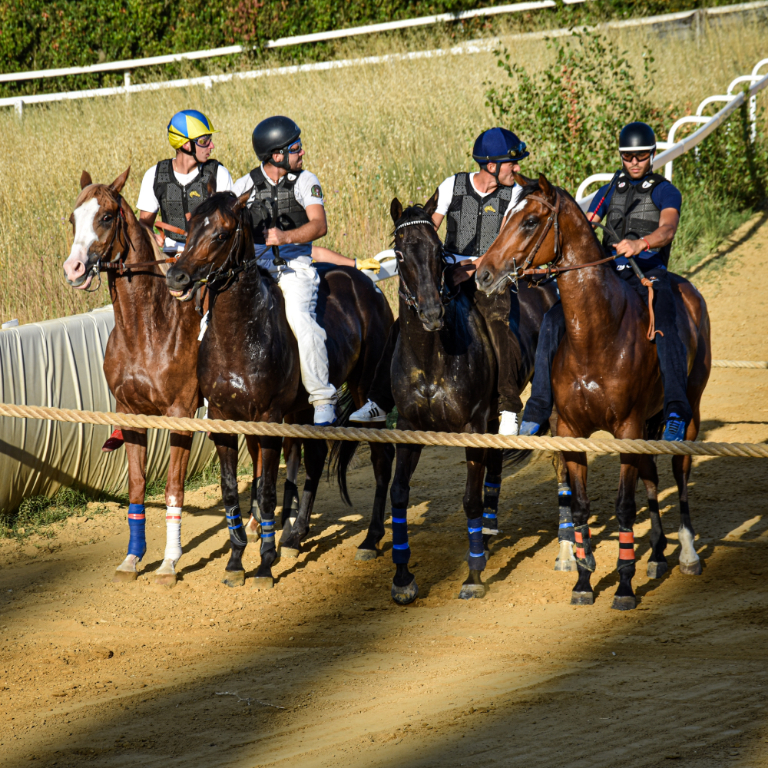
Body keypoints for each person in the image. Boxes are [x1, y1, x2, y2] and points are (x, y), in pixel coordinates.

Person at [350, 127, 530, 436]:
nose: (516, 168)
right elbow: (426, 235)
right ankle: (378, 402)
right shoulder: (452, 186)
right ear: (491, 166)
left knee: (498, 324)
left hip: (490, 276)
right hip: (447, 274)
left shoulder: (513, 194)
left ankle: (509, 406)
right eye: (511, 163)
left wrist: (474, 270)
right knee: (402, 325)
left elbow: (503, 243)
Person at [519, 121, 690, 441]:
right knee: (553, 320)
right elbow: (585, 226)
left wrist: (641, 244)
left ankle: (677, 410)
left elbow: (667, 230)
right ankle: (538, 408)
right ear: (622, 157)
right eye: (628, 157)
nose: (635, 162)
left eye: (641, 156)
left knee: (666, 325)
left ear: (652, 155)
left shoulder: (665, 190)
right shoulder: (610, 190)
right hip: (611, 276)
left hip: (649, 277)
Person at [102, 109, 235, 453]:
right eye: (204, 140)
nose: (211, 145)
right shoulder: (154, 175)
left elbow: (225, 222)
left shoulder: (219, 173)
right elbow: (143, 222)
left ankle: (210, 400)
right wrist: (156, 240)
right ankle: (124, 407)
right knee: (133, 308)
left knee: (210, 314)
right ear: (185, 145)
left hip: (204, 260)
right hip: (166, 259)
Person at [233, 116, 379, 426]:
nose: (302, 151)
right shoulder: (242, 186)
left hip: (294, 269)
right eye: (296, 147)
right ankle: (213, 399)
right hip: (254, 269)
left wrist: (285, 237)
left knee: (301, 320)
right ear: (276, 155)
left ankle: (323, 398)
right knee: (212, 318)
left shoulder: (306, 180)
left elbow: (319, 225)